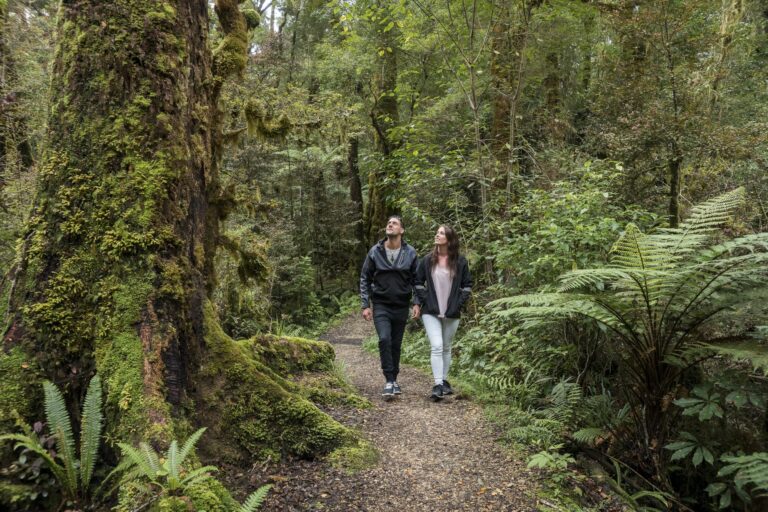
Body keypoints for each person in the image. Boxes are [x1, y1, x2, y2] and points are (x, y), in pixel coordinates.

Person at [360, 215, 421, 400]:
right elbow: (365, 277)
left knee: (396, 344)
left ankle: (394, 379)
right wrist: (365, 304)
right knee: (384, 339)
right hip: (381, 304)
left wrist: (416, 302)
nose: (390, 224)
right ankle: (388, 380)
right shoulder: (375, 251)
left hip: (401, 305)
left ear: (402, 230)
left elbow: (417, 280)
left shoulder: (410, 253)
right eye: (388, 223)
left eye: (394, 223)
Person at [414, 225, 472, 401]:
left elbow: (467, 286)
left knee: (446, 347)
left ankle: (444, 381)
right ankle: (438, 384)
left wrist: (457, 305)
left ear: (449, 239)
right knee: (437, 346)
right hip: (430, 311)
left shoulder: (460, 262)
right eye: (437, 232)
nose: (437, 235)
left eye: (441, 233)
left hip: (451, 313)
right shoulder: (427, 260)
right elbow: (417, 283)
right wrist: (424, 300)